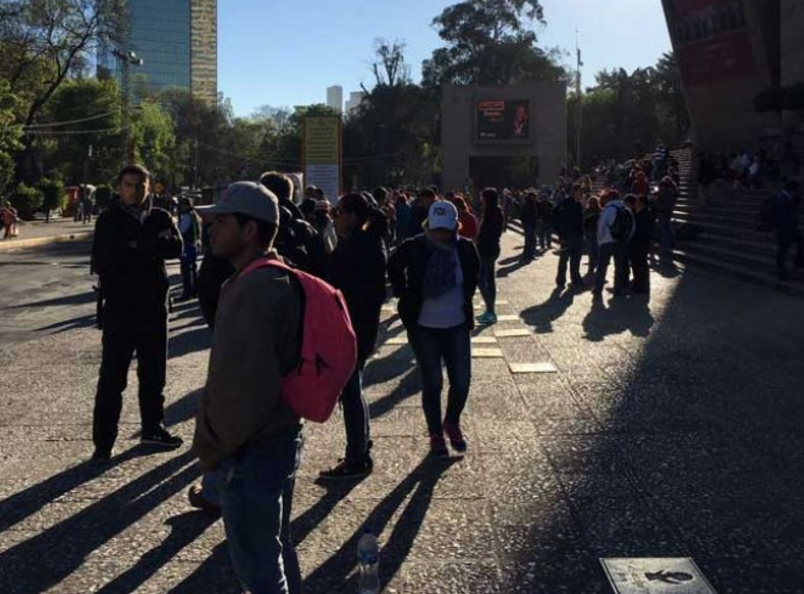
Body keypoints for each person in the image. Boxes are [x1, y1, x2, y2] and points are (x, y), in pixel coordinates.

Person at [193, 181, 304, 594]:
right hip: (278, 435)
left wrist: (217, 447)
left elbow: (244, 386)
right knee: (275, 549)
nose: (211, 230)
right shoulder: (274, 276)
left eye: (221, 222)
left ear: (250, 230)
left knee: (258, 569)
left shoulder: (254, 289)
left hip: (252, 451)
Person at [90, 164, 184, 462]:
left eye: (140, 185)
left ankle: (153, 428)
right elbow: (106, 258)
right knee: (112, 378)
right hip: (120, 308)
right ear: (119, 187)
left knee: (154, 373)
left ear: (149, 186)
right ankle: (104, 442)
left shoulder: (160, 215)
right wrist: (150, 248)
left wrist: (135, 247)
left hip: (154, 308)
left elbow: (176, 247)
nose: (134, 190)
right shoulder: (109, 220)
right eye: (128, 185)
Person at [388, 201, 480, 457]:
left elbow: (473, 277)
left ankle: (451, 421)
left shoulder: (465, 248)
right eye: (437, 229)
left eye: (446, 230)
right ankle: (435, 433)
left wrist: (466, 303)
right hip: (424, 326)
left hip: (457, 324)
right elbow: (393, 264)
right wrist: (402, 293)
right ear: (428, 225)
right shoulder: (415, 246)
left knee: (461, 381)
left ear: (455, 227)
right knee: (432, 382)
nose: (441, 234)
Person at [319, 193, 387, 480]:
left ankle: (356, 457)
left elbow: (335, 284)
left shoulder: (358, 246)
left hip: (352, 328)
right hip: (363, 326)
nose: (334, 218)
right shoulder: (370, 242)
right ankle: (361, 446)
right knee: (354, 388)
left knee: (350, 392)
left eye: (338, 212)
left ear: (351, 216)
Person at [593, 190, 634, 302]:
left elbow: (601, 225)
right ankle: (618, 289)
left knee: (602, 267)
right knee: (619, 267)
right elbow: (632, 226)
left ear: (610, 198)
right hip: (621, 242)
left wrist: (600, 239)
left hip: (606, 241)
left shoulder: (609, 209)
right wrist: (626, 238)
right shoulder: (626, 209)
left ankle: (598, 288)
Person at [475, 188, 504, 325]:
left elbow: (488, 232)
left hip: (487, 249)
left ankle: (490, 310)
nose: (481, 200)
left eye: (483, 197)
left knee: (481, 280)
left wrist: (478, 240)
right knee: (490, 280)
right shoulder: (493, 211)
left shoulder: (493, 213)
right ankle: (490, 311)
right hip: (490, 248)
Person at [554, 183, 585, 289]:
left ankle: (575, 278)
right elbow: (558, 219)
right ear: (575, 192)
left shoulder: (579, 204)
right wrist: (561, 235)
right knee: (564, 259)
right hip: (567, 236)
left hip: (578, 235)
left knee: (576, 259)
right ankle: (560, 280)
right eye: (580, 191)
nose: (582, 193)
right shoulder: (565, 203)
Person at [774, 181, 804, 280]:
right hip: (784, 229)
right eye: (798, 189)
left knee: (801, 240)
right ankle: (781, 272)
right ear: (792, 190)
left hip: (792, 228)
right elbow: (781, 216)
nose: (800, 191)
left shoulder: (788, 197)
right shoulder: (780, 198)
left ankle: (799, 262)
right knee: (783, 251)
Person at [629, 194, 655, 295]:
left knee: (640, 263)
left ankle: (640, 285)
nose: (635, 204)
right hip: (635, 241)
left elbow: (644, 229)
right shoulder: (635, 213)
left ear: (642, 204)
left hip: (642, 241)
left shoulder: (646, 214)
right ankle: (637, 283)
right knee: (636, 263)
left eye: (637, 202)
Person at [177, 197, 202, 301]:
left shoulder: (187, 216)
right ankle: (194, 291)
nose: (181, 207)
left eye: (182, 205)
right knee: (192, 269)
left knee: (187, 270)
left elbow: (181, 231)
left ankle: (188, 293)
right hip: (194, 245)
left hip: (188, 245)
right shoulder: (195, 215)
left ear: (187, 206)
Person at [654, 177, 678, 264]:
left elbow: (657, 203)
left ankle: (665, 243)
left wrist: (656, 198)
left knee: (664, 228)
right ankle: (671, 241)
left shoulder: (662, 193)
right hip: (668, 212)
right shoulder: (671, 192)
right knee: (668, 227)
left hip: (662, 212)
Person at [584, 195, 602, 278]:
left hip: (597, 233)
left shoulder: (600, 211)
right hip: (589, 232)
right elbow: (583, 221)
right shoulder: (586, 211)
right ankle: (591, 267)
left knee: (597, 250)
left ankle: (596, 266)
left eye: (593, 202)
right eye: (590, 202)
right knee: (591, 251)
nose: (592, 204)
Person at [520, 191, 538, 261]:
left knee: (529, 240)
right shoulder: (528, 204)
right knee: (531, 240)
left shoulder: (531, 203)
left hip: (530, 223)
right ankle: (529, 255)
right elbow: (525, 215)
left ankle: (528, 255)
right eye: (534, 197)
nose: (535, 198)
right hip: (529, 223)